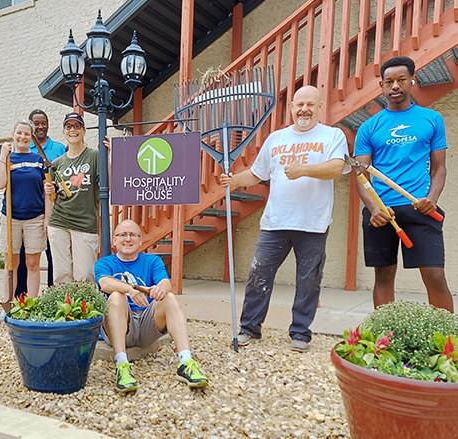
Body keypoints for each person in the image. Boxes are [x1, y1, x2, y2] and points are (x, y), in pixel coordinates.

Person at [220, 85, 349, 352]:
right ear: (291, 106)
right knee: (259, 276)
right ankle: (249, 329)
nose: (304, 109)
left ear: (319, 106)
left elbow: (337, 168)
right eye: (299, 104)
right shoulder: (276, 138)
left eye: (310, 105)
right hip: (275, 222)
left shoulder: (332, 136)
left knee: (308, 281)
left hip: (313, 223)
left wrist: (303, 169)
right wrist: (234, 181)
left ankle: (301, 333)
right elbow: (257, 174)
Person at [353, 56, 453, 312]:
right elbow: (361, 175)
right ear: (382, 86)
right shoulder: (368, 127)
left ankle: (450, 345)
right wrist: (374, 209)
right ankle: (385, 339)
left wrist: (432, 198)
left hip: (420, 207)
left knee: (435, 276)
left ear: (412, 80)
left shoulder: (432, 119)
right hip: (381, 212)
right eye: (389, 81)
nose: (395, 86)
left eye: (401, 80)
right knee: (383, 277)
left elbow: (439, 167)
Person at [94, 220, 208, 392]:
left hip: (148, 324)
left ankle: (186, 363)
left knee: (169, 298)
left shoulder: (152, 260)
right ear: (114, 241)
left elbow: (165, 282)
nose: (128, 239)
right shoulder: (105, 262)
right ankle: (122, 365)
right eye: (123, 235)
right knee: (117, 297)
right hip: (121, 326)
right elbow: (104, 283)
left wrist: (160, 290)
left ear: (140, 240)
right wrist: (130, 289)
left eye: (133, 234)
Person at [0, 121, 51, 322]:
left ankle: (31, 306)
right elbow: (0, 184)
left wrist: (47, 218)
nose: (23, 137)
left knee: (33, 263)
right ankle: (8, 305)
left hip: (35, 217)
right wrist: (2, 156)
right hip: (11, 217)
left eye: (27, 134)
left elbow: (47, 190)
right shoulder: (7, 158)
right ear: (13, 134)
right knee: (11, 263)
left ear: (31, 137)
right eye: (19, 133)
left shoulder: (38, 159)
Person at [14, 109, 65, 297]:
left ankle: (53, 293)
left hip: (57, 209)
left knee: (54, 255)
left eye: (44, 122)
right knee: (25, 257)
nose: (41, 126)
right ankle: (22, 296)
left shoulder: (59, 148)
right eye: (36, 123)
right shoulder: (24, 149)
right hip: (32, 211)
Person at [44, 112, 100, 284]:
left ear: (84, 131)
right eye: (69, 127)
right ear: (64, 132)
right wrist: (48, 190)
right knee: (61, 276)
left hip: (85, 223)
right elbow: (52, 197)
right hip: (59, 223)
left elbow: (108, 186)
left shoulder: (94, 155)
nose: (73, 130)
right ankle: (65, 310)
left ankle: (86, 311)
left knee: (84, 275)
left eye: (77, 126)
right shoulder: (57, 163)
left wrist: (108, 158)